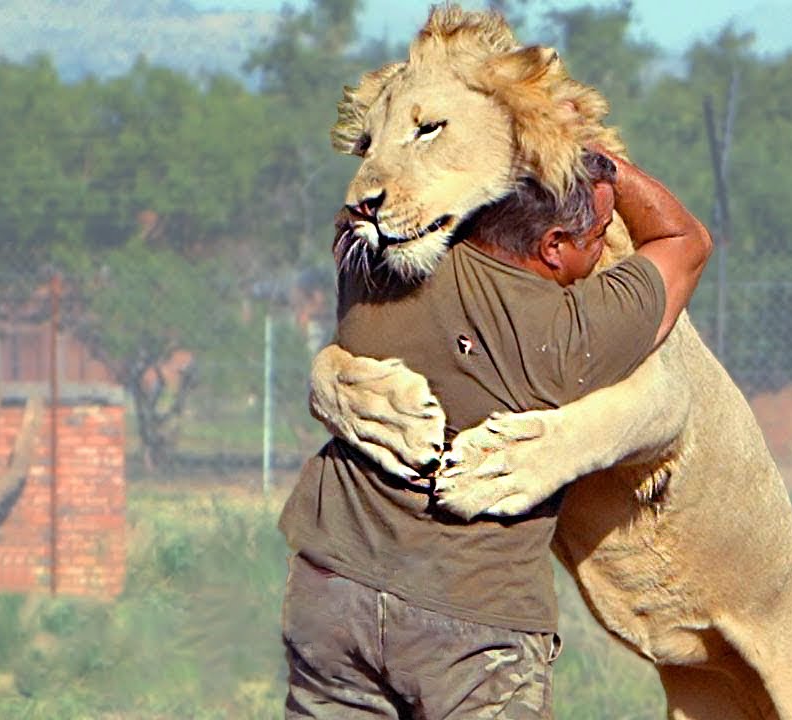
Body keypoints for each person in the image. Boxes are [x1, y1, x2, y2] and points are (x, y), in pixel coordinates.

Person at [278, 149, 711, 719]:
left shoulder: (374, 271)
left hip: (332, 593)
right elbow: (686, 241)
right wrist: (605, 164)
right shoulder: (568, 335)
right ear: (553, 246)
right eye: (599, 233)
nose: (605, 248)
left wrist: (512, 147)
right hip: (473, 625)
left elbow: (374, 182)